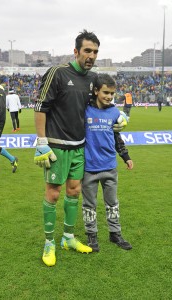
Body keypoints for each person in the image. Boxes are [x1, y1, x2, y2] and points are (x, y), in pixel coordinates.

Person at [34, 29, 103, 267]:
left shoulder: (93, 78)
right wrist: (42, 142)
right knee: (53, 194)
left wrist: (116, 117)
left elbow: (96, 106)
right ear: (76, 51)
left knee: (74, 192)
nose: (91, 55)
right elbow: (40, 107)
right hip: (56, 146)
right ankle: (49, 243)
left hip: (79, 146)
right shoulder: (58, 73)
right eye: (87, 50)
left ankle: (67, 238)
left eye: (95, 51)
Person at [82, 74, 133, 252]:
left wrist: (126, 156)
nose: (109, 96)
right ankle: (92, 236)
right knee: (89, 205)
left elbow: (116, 137)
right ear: (96, 91)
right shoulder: (85, 110)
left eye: (112, 93)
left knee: (112, 204)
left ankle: (115, 233)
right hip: (89, 168)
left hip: (110, 167)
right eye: (105, 92)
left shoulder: (114, 112)